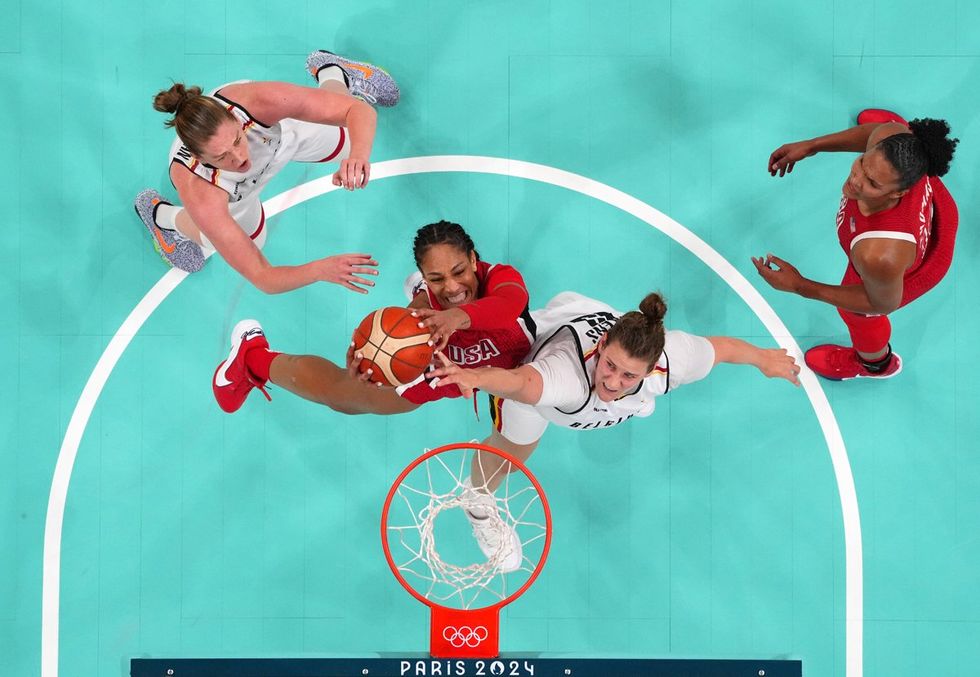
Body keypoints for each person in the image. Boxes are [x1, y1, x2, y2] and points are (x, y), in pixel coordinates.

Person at [429, 290, 801, 571]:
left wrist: (764, 359)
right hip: (540, 351)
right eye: (610, 366)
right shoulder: (565, 379)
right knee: (511, 450)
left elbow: (719, 349)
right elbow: (519, 382)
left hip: (585, 315)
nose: (613, 381)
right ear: (603, 345)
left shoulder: (672, 361)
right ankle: (476, 506)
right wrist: (473, 377)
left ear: (652, 367)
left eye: (628, 375)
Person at [134, 50, 400, 294]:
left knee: (350, 138)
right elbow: (263, 277)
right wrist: (319, 270)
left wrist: (358, 157)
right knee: (239, 240)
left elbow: (358, 109)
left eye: (237, 140)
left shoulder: (257, 103)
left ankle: (333, 71)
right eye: (222, 156)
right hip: (235, 194)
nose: (239, 158)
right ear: (200, 158)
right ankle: (161, 216)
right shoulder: (201, 192)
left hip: (277, 140)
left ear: (236, 120)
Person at [211, 220, 536, 417]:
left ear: (473, 258)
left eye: (459, 271)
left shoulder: (500, 277)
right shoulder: (420, 327)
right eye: (437, 278)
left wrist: (455, 316)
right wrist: (370, 365)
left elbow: (510, 303)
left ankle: (421, 293)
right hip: (443, 367)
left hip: (509, 362)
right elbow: (388, 353)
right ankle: (252, 358)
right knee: (343, 397)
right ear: (425, 274)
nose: (452, 286)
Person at [754, 108, 959, 380]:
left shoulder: (878, 254)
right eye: (862, 163)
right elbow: (874, 135)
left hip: (917, 264)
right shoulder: (890, 136)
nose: (856, 181)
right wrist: (812, 146)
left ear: (898, 192)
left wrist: (799, 286)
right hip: (921, 196)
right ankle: (913, 148)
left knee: (856, 312)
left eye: (872, 182)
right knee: (896, 131)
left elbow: (881, 303)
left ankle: (875, 364)